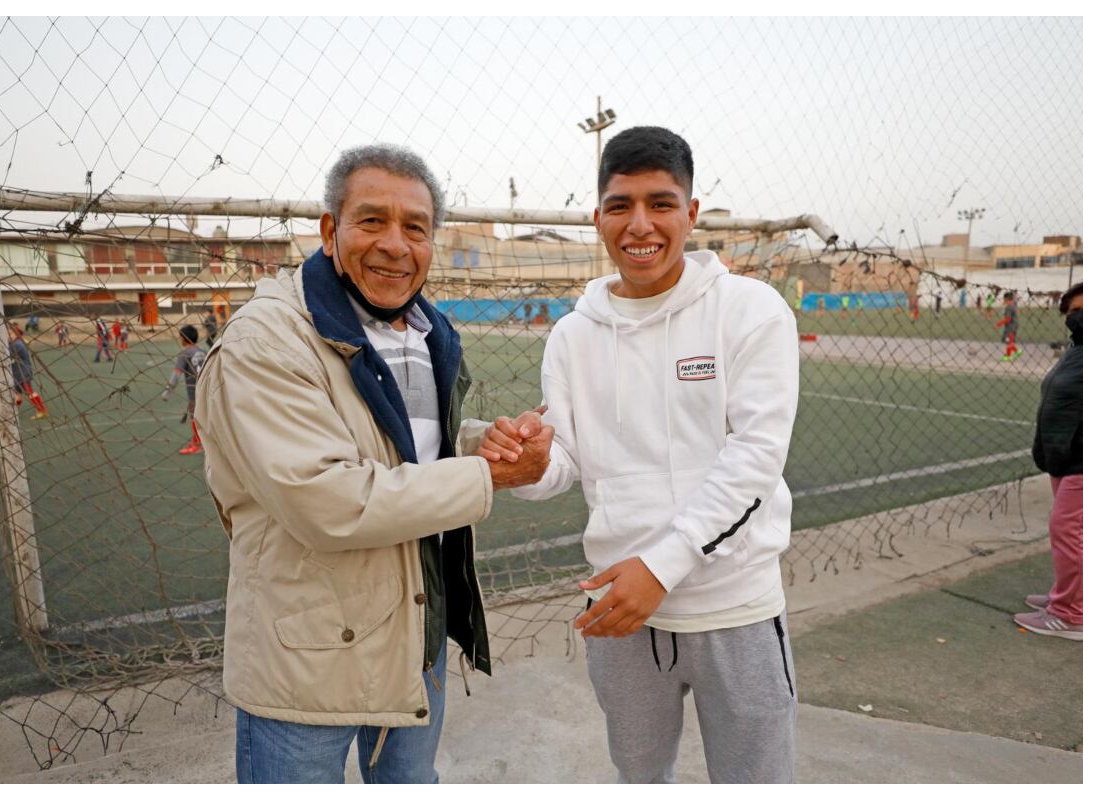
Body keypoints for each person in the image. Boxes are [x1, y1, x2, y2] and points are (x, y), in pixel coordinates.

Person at [194, 143, 552, 784]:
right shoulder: (267, 338)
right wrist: (485, 476)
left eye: (415, 227)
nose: (395, 243)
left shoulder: (425, 328)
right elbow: (329, 501)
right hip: (308, 649)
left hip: (415, 620)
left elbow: (402, 451)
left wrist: (478, 444)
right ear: (330, 231)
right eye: (372, 221)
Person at [480, 127, 800, 783]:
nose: (641, 224)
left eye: (661, 203)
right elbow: (568, 462)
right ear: (597, 217)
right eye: (621, 205)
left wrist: (661, 566)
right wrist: (535, 464)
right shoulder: (571, 336)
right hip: (621, 614)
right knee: (639, 779)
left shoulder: (750, 311)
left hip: (733, 607)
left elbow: (755, 461)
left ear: (692, 213)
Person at [1015, 283, 1082, 640]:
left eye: (1082, 310)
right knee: (1073, 533)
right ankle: (1068, 597)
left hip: (1082, 459)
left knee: (1068, 532)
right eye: (1071, 313)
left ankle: (1071, 615)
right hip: (1067, 455)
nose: (1075, 319)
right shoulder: (1079, 348)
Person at [159, 324, 206, 455]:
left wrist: (167, 392)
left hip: (194, 391)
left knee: (195, 417)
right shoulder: (202, 351)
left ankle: (197, 444)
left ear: (184, 338)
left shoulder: (184, 353)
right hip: (207, 389)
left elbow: (176, 374)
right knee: (206, 416)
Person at [8, 325, 49, 420]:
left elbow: (4, 354)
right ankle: (12, 412)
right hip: (17, 373)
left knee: (29, 391)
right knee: (17, 394)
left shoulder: (17, 344)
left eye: (10, 334)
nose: (8, 336)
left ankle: (42, 410)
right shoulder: (15, 343)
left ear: (16, 334)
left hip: (23, 372)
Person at [994, 291, 1021, 361]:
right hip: (1015, 325)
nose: (1003, 300)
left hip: (1010, 326)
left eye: (1004, 299)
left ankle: (1009, 356)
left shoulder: (1008, 307)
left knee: (1009, 341)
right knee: (1009, 341)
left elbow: (1008, 319)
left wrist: (998, 324)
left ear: (1006, 299)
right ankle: (1016, 352)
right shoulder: (1014, 305)